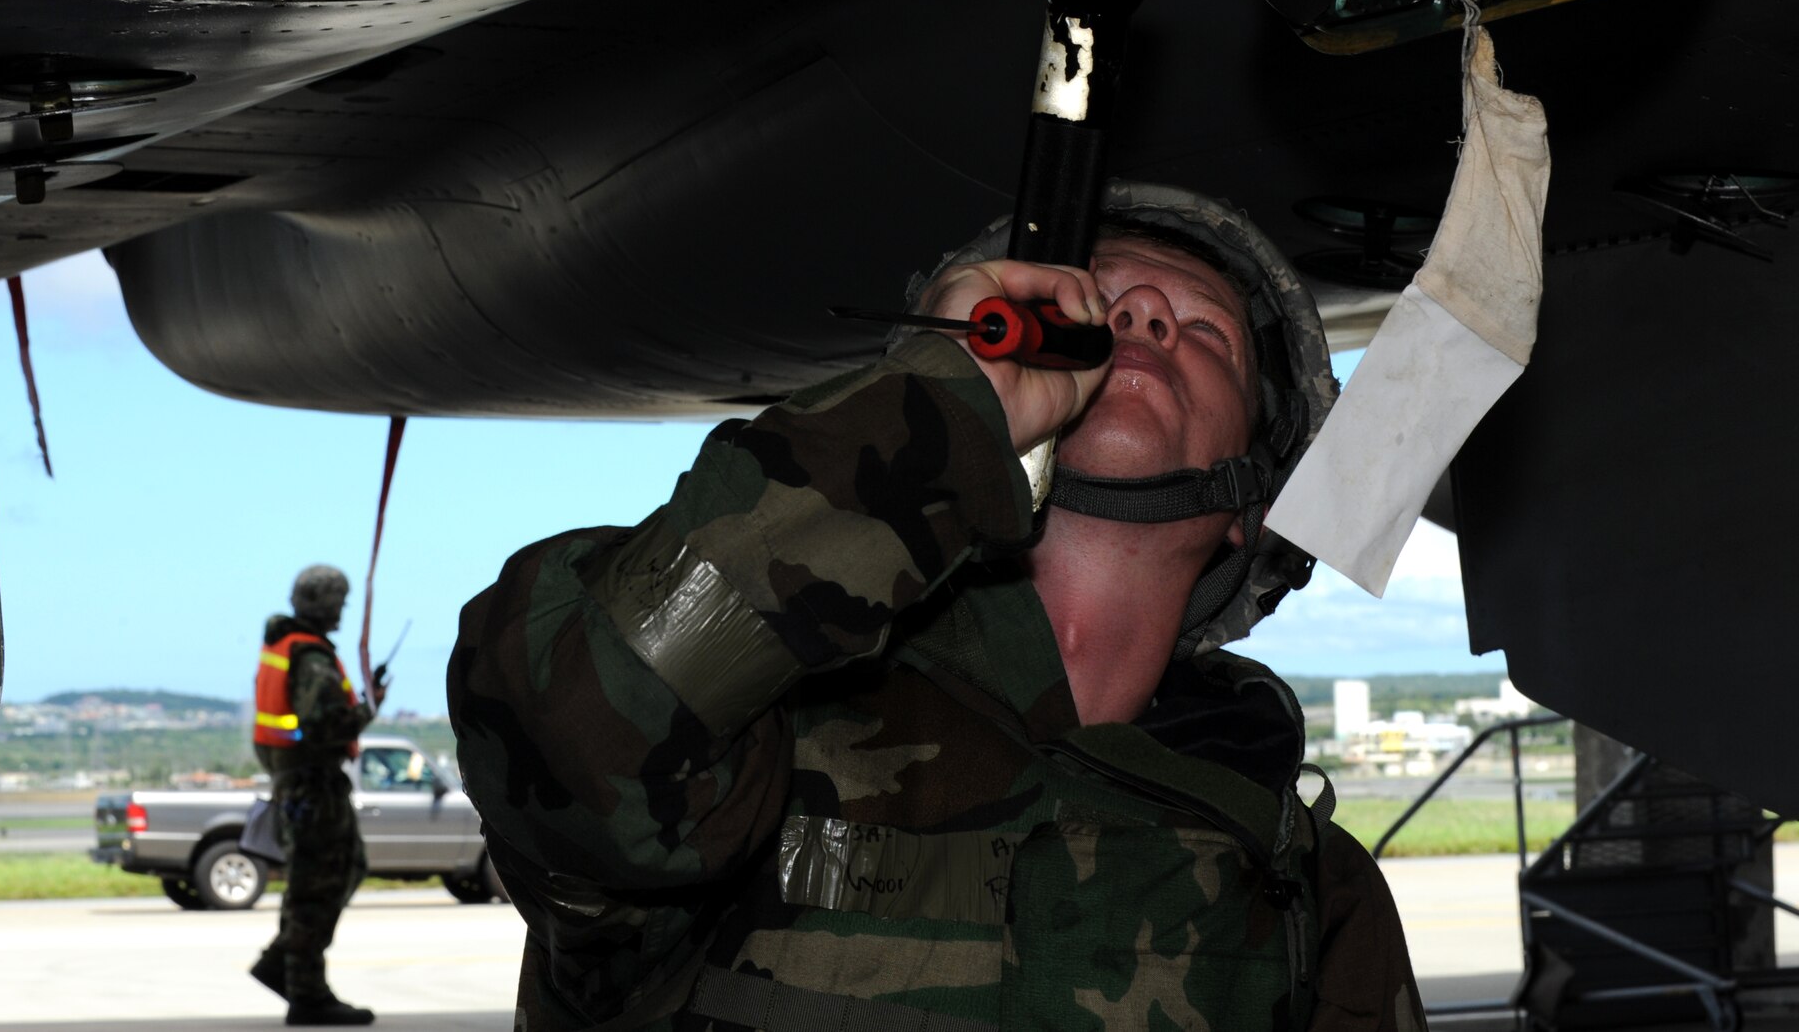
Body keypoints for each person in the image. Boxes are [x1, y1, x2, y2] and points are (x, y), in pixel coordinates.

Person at [450, 182, 1427, 1031]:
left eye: (1203, 328)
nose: (1141, 319)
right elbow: (572, 708)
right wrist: (933, 418)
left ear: (1247, 507)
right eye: (1093, 304)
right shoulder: (753, 741)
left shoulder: (1296, 876)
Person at [252, 564, 387, 1027]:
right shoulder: (310, 656)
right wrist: (367, 709)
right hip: (313, 786)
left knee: (339, 871)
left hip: (302, 784)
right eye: (339, 601)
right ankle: (305, 991)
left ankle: (283, 963)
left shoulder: (286, 646)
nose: (342, 611)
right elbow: (326, 727)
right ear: (322, 603)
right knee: (316, 887)